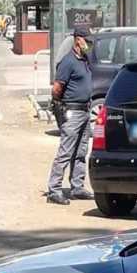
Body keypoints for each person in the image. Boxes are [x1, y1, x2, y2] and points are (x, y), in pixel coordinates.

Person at [47, 24, 94, 205]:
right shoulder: (68, 62)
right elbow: (57, 89)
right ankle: (54, 189)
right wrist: (61, 107)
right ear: (77, 39)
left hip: (85, 110)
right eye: (86, 40)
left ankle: (77, 186)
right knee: (65, 152)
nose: (89, 44)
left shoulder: (84, 59)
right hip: (72, 111)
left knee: (81, 151)